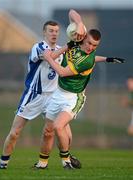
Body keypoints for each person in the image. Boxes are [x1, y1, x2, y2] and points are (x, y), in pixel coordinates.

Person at [34, 26, 125, 169]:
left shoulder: (87, 61)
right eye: (89, 43)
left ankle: (66, 161)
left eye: (95, 45)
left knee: (58, 126)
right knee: (47, 131)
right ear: (84, 39)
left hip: (73, 97)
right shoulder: (75, 44)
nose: (91, 47)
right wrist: (107, 59)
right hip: (58, 93)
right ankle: (42, 164)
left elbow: (63, 72)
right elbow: (72, 12)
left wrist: (47, 58)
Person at [0, 20, 81, 169]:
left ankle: (54, 161)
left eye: (56, 31)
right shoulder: (38, 47)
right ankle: (3, 164)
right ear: (44, 32)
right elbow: (50, 56)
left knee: (54, 130)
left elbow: (75, 62)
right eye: (50, 31)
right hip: (34, 95)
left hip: (54, 96)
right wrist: (69, 45)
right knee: (15, 132)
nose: (54, 33)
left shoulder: (62, 49)